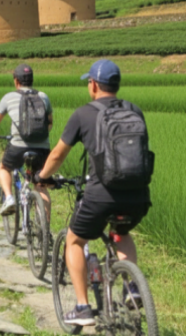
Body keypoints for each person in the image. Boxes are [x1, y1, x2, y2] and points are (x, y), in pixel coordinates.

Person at [36, 60, 152, 327]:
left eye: (89, 82)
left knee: (75, 240)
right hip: (138, 196)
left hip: (101, 195)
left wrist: (42, 177)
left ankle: (82, 307)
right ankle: (132, 288)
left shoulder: (83, 114)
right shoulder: (135, 110)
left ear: (94, 84)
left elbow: (58, 154)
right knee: (121, 232)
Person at [0, 64, 53, 216]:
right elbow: (50, 123)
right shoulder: (43, 97)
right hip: (42, 148)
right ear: (32, 80)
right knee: (41, 185)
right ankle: (45, 233)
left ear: (16, 81)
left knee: (4, 168)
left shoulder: (9, 97)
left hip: (18, 146)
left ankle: (9, 198)